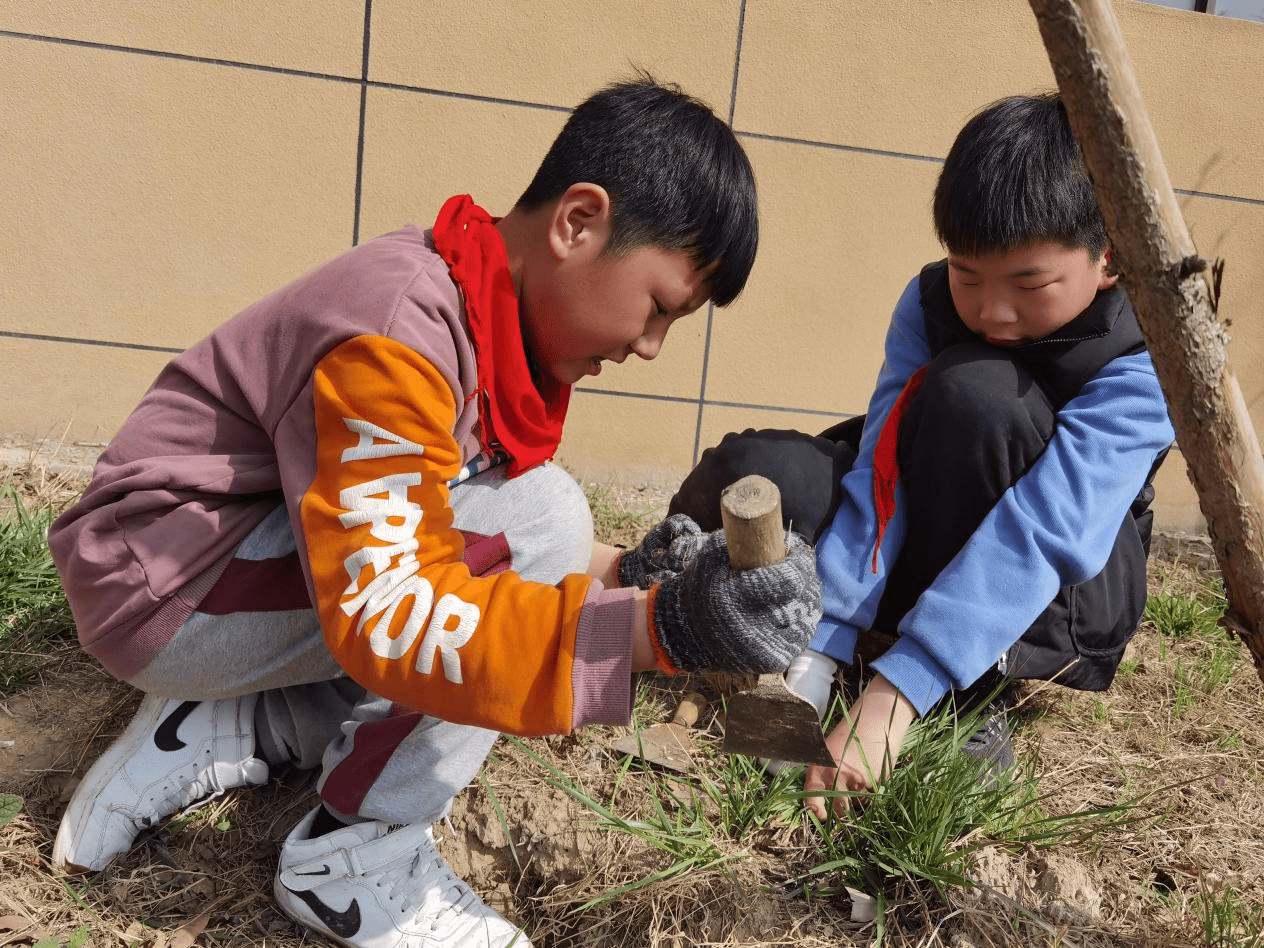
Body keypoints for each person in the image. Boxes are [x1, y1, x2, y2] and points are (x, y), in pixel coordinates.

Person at [47, 75, 821, 948]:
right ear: (578, 221)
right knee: (537, 531)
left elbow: (444, 515)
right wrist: (661, 629)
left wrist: (634, 576)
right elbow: (391, 609)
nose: (649, 346)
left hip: (215, 559)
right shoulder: (395, 331)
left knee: (547, 529)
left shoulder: (465, 301)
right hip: (163, 588)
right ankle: (351, 860)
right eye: (661, 308)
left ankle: (241, 717)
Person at [661, 91, 1174, 818]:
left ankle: (965, 691)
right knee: (766, 469)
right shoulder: (927, 302)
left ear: (1110, 254)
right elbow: (884, 470)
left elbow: (1050, 523)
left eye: (1029, 284)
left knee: (979, 394)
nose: (993, 310)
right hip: (920, 516)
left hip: (1055, 586)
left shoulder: (1149, 353)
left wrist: (893, 697)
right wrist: (819, 650)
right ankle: (727, 602)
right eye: (968, 275)